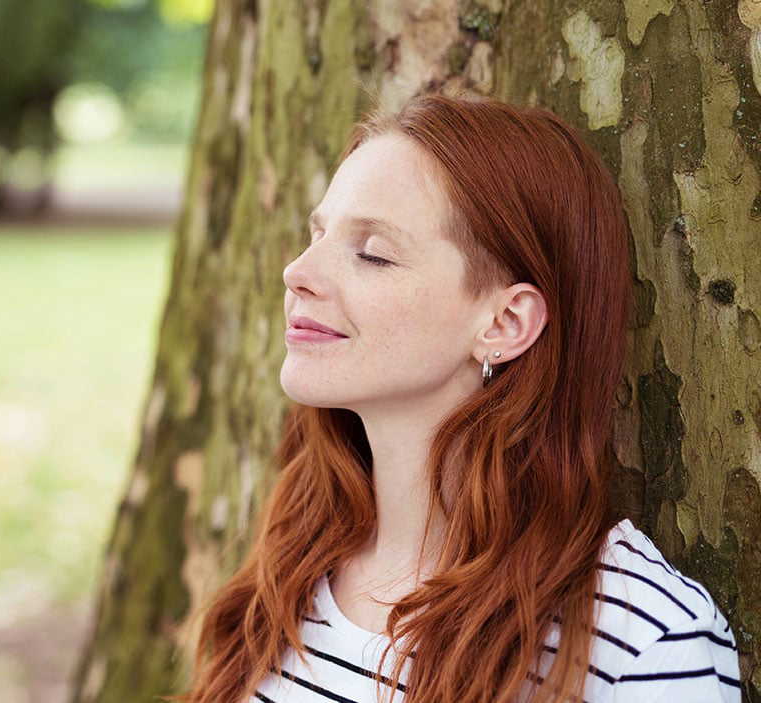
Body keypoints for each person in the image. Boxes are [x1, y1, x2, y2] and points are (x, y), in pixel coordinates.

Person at [170, 92, 741, 703]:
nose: (297, 272)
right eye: (316, 234)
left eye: (372, 254)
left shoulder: (640, 641)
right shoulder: (298, 553)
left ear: (504, 323)